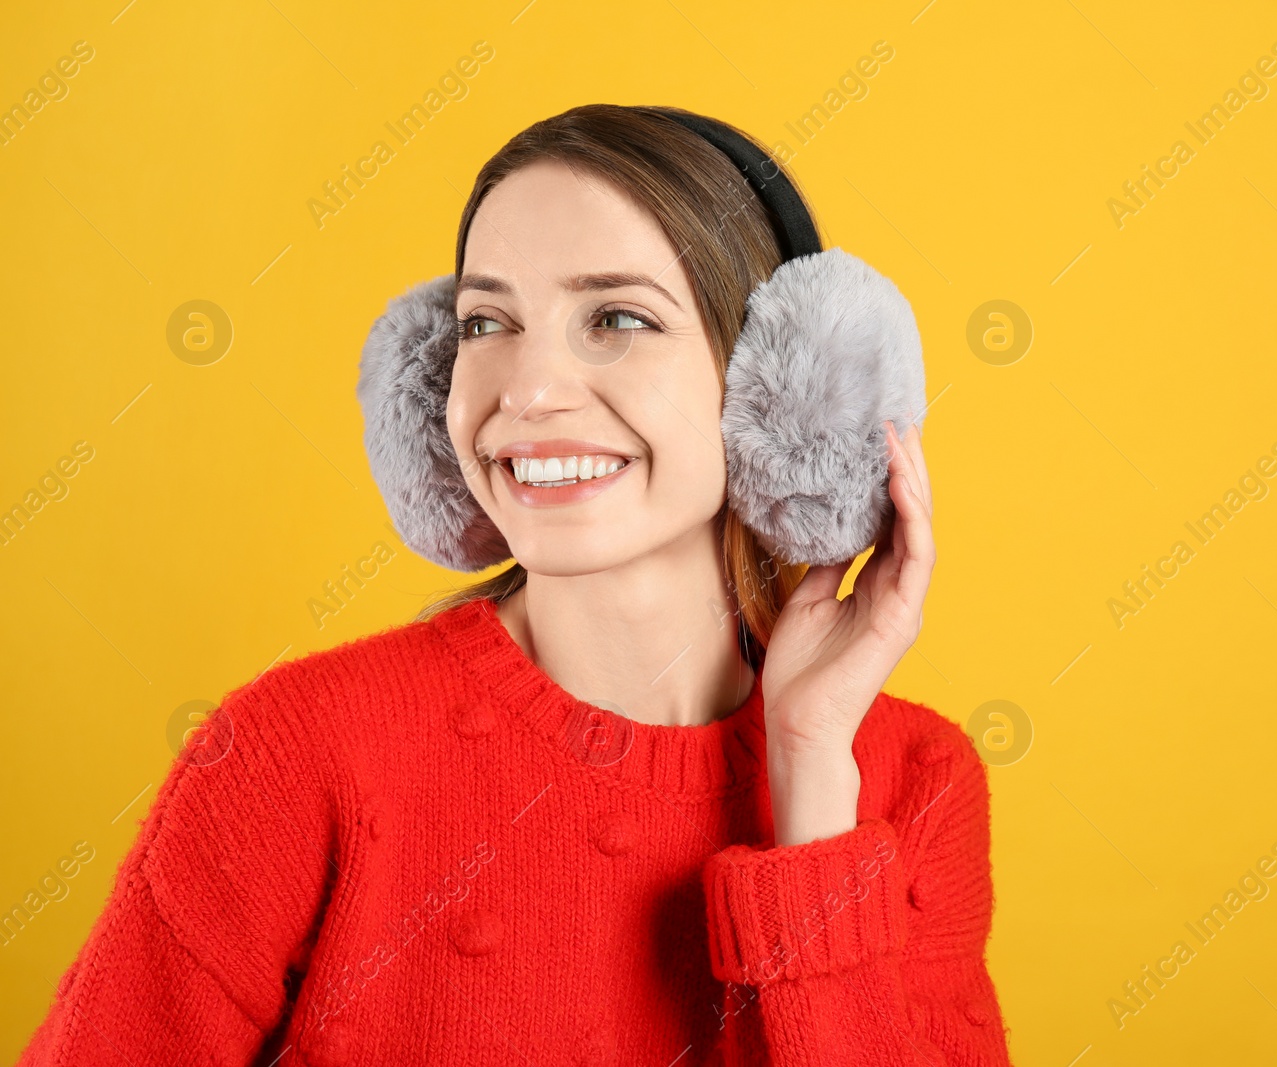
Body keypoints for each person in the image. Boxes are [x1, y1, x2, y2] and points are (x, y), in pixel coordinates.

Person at [17, 103, 1012, 1066]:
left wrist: (807, 775)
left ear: (785, 389)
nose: (527, 390)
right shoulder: (294, 747)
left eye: (616, 316)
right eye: (487, 321)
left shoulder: (913, 781)